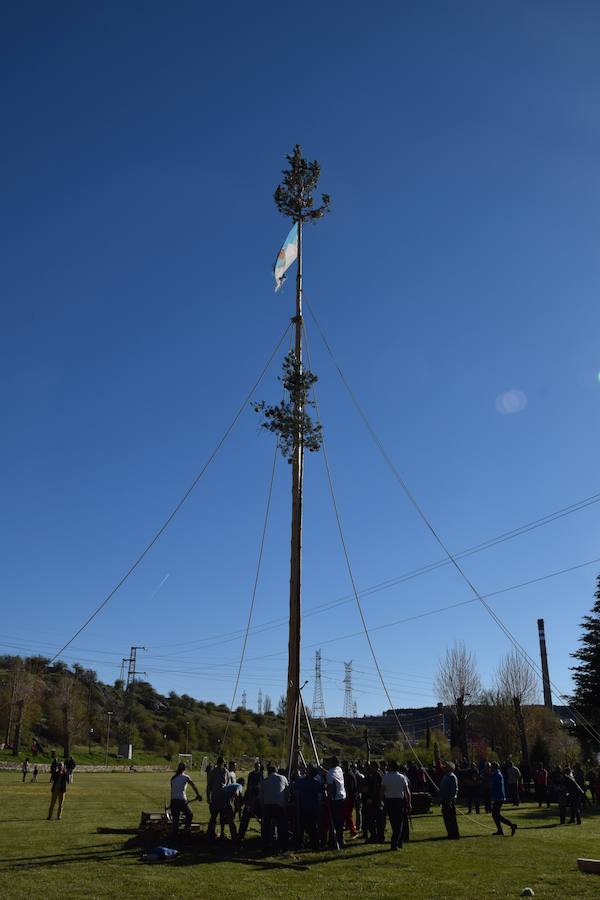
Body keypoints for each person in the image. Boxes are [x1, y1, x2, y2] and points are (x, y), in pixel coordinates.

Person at [381, 760, 411, 850]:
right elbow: (407, 792)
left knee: (394, 823)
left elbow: (382, 791)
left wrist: (382, 800)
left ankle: (396, 842)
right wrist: (409, 803)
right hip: (399, 801)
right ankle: (397, 842)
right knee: (399, 823)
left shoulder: (385, 777)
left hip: (389, 801)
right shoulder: (402, 777)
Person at [259, 763, 289, 853]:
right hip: (279, 806)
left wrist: (263, 808)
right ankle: (283, 846)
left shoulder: (264, 781)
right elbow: (287, 792)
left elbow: (261, 797)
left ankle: (265, 846)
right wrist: (285, 804)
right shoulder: (283, 778)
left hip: (268, 806)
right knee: (282, 827)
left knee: (266, 828)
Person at [293, 764, 323, 850]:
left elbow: (294, 790)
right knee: (312, 827)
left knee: (302, 827)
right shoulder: (316, 783)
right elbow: (320, 796)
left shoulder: (301, 782)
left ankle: (300, 843)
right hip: (313, 808)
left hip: (304, 808)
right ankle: (314, 843)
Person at [169, 762, 202, 837]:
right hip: (181, 800)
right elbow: (194, 786)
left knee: (175, 820)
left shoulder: (173, 778)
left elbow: (172, 791)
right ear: (185, 769)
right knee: (189, 814)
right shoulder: (186, 777)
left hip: (173, 801)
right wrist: (198, 795)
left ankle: (174, 837)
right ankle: (186, 831)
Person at [238, 761, 264, 841]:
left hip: (257, 800)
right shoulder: (251, 775)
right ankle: (240, 835)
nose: (258, 768)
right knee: (245, 818)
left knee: (263, 818)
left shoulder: (260, 775)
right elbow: (249, 786)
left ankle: (264, 835)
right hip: (251, 799)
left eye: (259, 766)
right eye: (257, 766)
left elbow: (261, 786)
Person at [490, 761, 517, 836]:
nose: (490, 769)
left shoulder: (497, 775)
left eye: (491, 767)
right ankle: (500, 830)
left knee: (496, 815)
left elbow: (493, 786)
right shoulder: (498, 774)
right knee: (495, 814)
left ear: (494, 767)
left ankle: (511, 825)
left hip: (498, 797)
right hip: (498, 797)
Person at [206, 757, 230, 840]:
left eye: (223, 763)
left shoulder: (226, 772)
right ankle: (211, 833)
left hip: (223, 798)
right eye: (221, 762)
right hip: (215, 798)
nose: (222, 764)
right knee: (213, 817)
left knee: (222, 817)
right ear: (218, 762)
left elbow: (228, 784)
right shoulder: (213, 772)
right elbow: (209, 785)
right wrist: (208, 797)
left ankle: (222, 833)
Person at [326, 756, 347, 849]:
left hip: (335, 799)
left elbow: (330, 787)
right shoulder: (339, 769)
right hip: (342, 797)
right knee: (340, 821)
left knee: (334, 822)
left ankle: (334, 841)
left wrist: (328, 798)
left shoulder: (330, 773)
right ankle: (340, 839)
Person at [439, 762, 460, 839]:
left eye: (446, 767)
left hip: (449, 800)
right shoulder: (445, 776)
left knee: (451, 819)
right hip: (444, 800)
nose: (444, 768)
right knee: (446, 818)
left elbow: (454, 790)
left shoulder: (452, 777)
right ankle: (450, 833)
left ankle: (454, 834)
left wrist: (451, 800)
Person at [342, 760, 358, 839]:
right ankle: (350, 828)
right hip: (351, 797)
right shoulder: (351, 774)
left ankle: (353, 831)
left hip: (349, 798)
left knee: (348, 815)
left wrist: (346, 798)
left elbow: (349, 788)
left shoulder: (348, 775)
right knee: (347, 815)